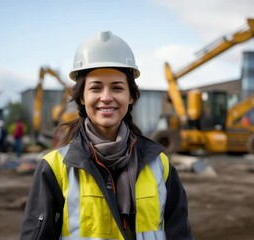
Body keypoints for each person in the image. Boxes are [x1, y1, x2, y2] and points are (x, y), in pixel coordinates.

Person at [20, 31, 193, 240]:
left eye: (117, 88)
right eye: (96, 88)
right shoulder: (55, 168)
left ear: (130, 97)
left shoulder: (159, 165)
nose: (106, 97)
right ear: (82, 97)